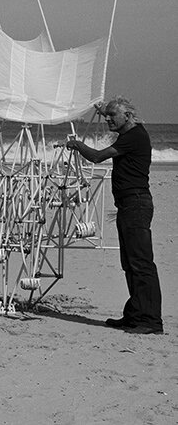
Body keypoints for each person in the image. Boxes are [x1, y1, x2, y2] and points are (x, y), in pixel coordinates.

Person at [65, 97, 162, 334]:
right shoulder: (130, 132)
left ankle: (150, 321)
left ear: (128, 116)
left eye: (112, 116)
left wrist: (76, 145)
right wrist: (103, 109)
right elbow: (111, 116)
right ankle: (134, 315)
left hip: (136, 204)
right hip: (129, 205)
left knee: (141, 263)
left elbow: (98, 157)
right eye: (106, 115)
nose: (108, 119)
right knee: (130, 263)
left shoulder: (134, 136)